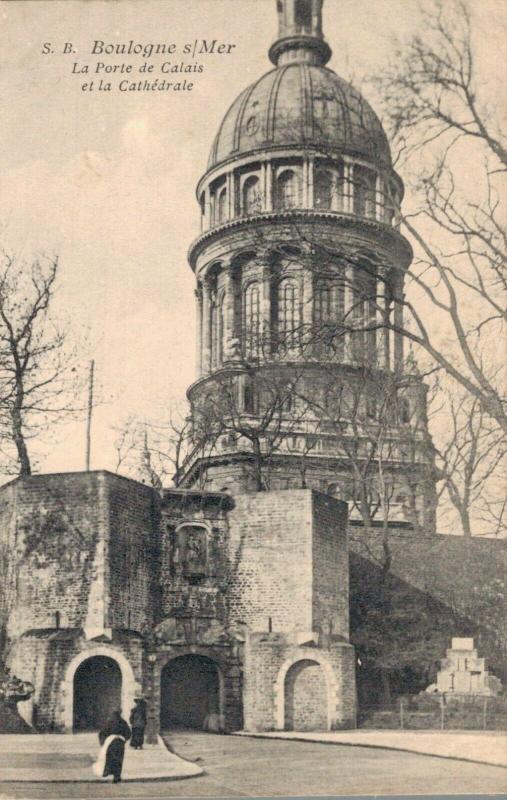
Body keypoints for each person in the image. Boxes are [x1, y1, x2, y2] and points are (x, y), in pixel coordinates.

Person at [93, 710, 131, 783]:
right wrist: (124, 739)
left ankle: (108, 772)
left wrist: (103, 743)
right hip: (119, 743)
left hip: (110, 743)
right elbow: (128, 733)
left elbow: (102, 733)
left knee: (110, 759)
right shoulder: (123, 722)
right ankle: (117, 776)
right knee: (119, 760)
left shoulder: (109, 722)